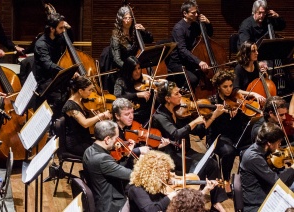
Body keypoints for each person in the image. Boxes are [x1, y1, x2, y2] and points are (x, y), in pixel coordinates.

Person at [152, 81, 227, 211]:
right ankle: (192, 204)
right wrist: (193, 122)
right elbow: (176, 134)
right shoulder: (159, 116)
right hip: (172, 157)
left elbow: (199, 131)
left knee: (212, 163)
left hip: (185, 151)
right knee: (198, 169)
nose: (181, 95)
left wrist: (214, 115)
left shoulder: (180, 110)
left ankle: (215, 202)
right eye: (177, 93)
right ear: (167, 98)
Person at [83, 120, 148, 212]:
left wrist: (128, 154)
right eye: (116, 138)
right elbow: (132, 175)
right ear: (107, 139)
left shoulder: (89, 150)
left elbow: (113, 168)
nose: (118, 141)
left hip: (99, 198)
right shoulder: (102, 159)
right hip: (112, 205)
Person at [207, 70, 252, 192]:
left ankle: (240, 179)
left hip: (235, 135)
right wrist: (220, 114)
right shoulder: (212, 102)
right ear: (218, 87)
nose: (228, 89)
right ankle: (226, 179)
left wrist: (240, 112)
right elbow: (211, 126)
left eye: (231, 86)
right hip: (219, 136)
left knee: (249, 148)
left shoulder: (236, 99)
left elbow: (242, 123)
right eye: (225, 87)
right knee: (229, 152)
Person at [240, 122, 294, 212]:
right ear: (269, 143)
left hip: (264, 192)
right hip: (257, 203)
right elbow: (276, 181)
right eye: (278, 142)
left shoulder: (259, 149)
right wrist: (292, 168)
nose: (279, 146)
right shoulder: (254, 157)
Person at [32, 12, 74, 116]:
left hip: (57, 76)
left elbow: (70, 41)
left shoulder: (58, 38)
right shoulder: (41, 44)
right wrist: (66, 72)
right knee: (61, 99)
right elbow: (48, 65)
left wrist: (69, 28)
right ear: (51, 29)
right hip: (46, 82)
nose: (63, 31)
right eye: (61, 28)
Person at [165, 1, 212, 90]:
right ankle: (181, 95)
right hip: (177, 62)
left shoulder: (194, 24)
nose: (197, 14)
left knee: (204, 75)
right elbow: (182, 50)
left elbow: (209, 34)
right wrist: (199, 62)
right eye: (193, 13)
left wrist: (208, 23)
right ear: (185, 13)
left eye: (197, 12)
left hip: (189, 60)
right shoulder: (178, 28)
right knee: (193, 79)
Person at [105, 5, 153, 93]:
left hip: (135, 70)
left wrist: (144, 30)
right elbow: (117, 59)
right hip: (122, 71)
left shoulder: (135, 33)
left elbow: (150, 40)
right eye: (125, 18)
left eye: (130, 18)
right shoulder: (115, 37)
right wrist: (131, 69)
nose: (128, 20)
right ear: (120, 19)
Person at [62, 76, 111, 156]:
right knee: (103, 153)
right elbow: (85, 123)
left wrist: (94, 114)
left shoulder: (80, 101)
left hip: (84, 139)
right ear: (80, 91)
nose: (91, 93)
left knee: (108, 147)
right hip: (76, 143)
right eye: (89, 90)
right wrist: (100, 115)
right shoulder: (70, 106)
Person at [113, 56, 155, 125]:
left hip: (147, 119)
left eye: (139, 68)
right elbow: (117, 98)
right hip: (130, 119)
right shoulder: (121, 81)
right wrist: (137, 95)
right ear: (128, 70)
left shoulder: (144, 81)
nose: (138, 71)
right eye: (134, 69)